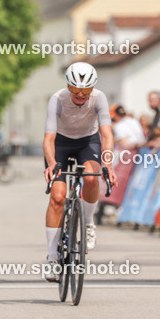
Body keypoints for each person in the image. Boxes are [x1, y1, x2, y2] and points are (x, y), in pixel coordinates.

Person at [42, 62, 116, 281]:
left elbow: (107, 135)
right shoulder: (57, 99)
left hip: (88, 142)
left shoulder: (100, 98)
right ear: (68, 86)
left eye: (86, 90)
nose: (81, 94)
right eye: (75, 89)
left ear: (93, 88)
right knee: (57, 198)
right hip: (60, 144)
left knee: (92, 179)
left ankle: (88, 222)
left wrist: (108, 165)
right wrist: (51, 163)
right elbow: (48, 138)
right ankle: (53, 257)